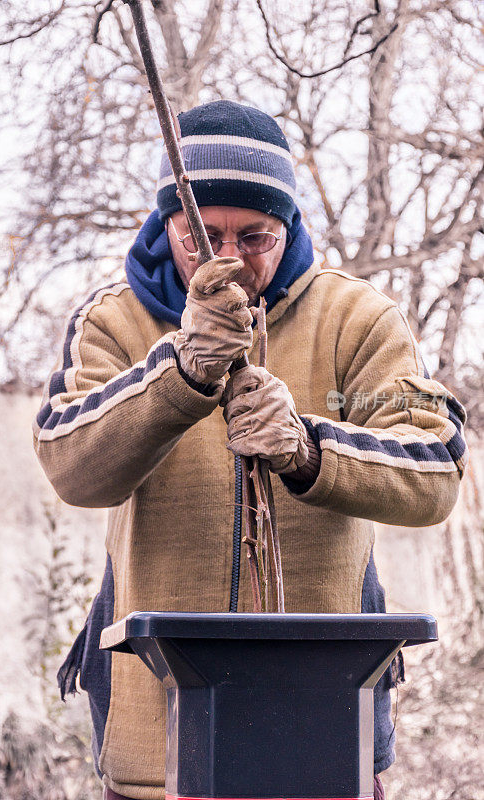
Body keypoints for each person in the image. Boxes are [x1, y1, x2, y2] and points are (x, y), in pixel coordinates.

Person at [33, 101, 467, 800]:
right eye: (200, 235)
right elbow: (73, 469)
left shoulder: (356, 320)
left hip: (325, 724)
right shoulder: (114, 322)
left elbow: (435, 467)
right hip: (157, 730)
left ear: (289, 225)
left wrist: (308, 448)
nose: (227, 258)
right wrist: (182, 372)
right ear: (166, 223)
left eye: (254, 235)